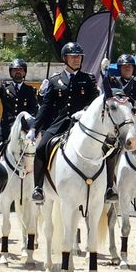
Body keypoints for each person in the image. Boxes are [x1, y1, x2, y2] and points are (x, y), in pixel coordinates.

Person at [30, 42, 106, 203]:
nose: (77, 59)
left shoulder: (88, 79)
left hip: (81, 125)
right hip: (59, 124)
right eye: (73, 56)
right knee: (41, 148)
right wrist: (34, 128)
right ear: (65, 58)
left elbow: (94, 104)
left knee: (105, 147)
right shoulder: (55, 80)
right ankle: (38, 188)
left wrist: (84, 111)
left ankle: (108, 187)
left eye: (79, 56)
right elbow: (46, 107)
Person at [0, 58, 38, 157]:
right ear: (11, 73)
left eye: (20, 70)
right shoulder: (5, 88)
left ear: (24, 72)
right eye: (15, 70)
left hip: (23, 129)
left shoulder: (30, 90)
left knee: (36, 153)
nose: (18, 72)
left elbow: (34, 110)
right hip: (6, 130)